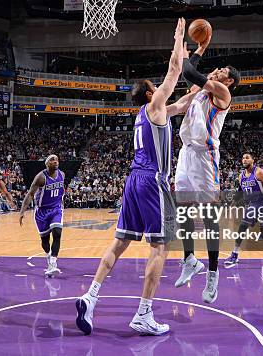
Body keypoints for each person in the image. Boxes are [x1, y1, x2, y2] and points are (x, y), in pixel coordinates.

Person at [75, 18, 187, 336]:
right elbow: (175, 71)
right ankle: (143, 313)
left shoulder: (147, 113)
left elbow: (183, 99)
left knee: (120, 242)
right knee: (160, 248)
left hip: (134, 180)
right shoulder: (154, 106)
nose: (161, 87)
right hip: (153, 181)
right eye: (157, 86)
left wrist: (200, 75)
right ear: (151, 92)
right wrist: (178, 38)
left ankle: (90, 296)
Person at [173, 46, 241, 303]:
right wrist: (194, 56)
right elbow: (187, 75)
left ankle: (213, 274)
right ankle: (189, 259)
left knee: (209, 216)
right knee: (183, 209)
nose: (218, 71)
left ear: (229, 80)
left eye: (222, 71)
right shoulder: (201, 91)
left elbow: (189, 69)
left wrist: (196, 50)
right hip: (186, 153)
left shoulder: (222, 93)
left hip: (205, 156)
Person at [19, 155, 65, 277]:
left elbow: (61, 191)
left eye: (56, 159)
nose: (55, 161)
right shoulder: (41, 177)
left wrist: (61, 204)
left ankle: (53, 262)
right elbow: (30, 194)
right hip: (42, 212)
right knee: (45, 240)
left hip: (56, 209)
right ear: (47, 164)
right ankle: (49, 255)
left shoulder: (62, 175)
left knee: (57, 232)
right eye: (52, 160)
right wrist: (22, 211)